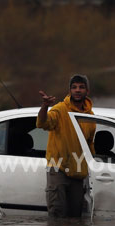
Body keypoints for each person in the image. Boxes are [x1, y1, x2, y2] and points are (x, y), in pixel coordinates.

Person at [37, 74, 96, 218]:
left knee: (75, 217)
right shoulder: (60, 109)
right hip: (59, 169)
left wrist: (95, 167)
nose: (77, 90)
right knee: (57, 214)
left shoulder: (90, 115)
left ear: (87, 91)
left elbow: (89, 145)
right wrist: (45, 106)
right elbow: (42, 123)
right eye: (74, 87)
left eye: (81, 87)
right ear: (69, 91)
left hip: (78, 172)